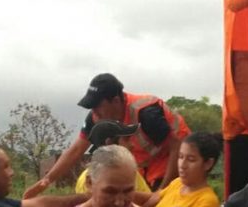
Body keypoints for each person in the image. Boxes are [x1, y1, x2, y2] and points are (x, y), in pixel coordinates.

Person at [24, 73, 190, 196]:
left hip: (178, 162)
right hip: (146, 168)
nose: (94, 112)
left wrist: (162, 193)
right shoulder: (97, 117)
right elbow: (75, 151)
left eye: (97, 106)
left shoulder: (145, 113)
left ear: (116, 101)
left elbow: (177, 147)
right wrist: (45, 181)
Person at [74, 119, 151, 195]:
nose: (132, 145)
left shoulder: (85, 178)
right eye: (126, 140)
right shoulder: (127, 173)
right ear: (109, 143)